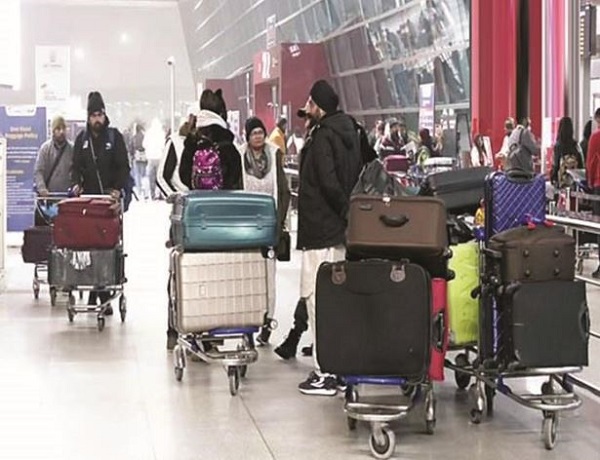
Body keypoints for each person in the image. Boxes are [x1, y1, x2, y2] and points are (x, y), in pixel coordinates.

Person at [296, 80, 363, 396]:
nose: (306, 108)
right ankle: (340, 365)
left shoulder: (323, 136)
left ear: (319, 106)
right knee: (337, 300)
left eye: (310, 103)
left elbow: (327, 181)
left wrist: (341, 209)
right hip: (339, 233)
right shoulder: (350, 130)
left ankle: (325, 373)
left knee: (315, 298)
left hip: (320, 229)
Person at [71, 91, 130, 315]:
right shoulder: (81, 140)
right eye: (93, 115)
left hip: (109, 205)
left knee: (107, 247)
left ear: (105, 115)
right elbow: (75, 166)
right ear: (87, 117)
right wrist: (76, 183)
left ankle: (102, 292)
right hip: (88, 204)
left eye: (100, 114)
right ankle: (97, 290)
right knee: (88, 246)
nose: (97, 119)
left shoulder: (114, 138)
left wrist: (117, 189)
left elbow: (124, 166)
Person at [239, 117, 291, 345]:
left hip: (270, 227)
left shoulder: (274, 153)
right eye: (254, 133)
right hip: (246, 228)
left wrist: (280, 223)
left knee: (269, 278)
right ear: (247, 136)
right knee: (249, 277)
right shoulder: (240, 157)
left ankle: (268, 322)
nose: (258, 136)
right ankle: (248, 325)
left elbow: (283, 191)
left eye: (261, 132)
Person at [275, 109, 317, 361]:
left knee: (311, 289)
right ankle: (300, 336)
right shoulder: (313, 146)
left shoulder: (319, 146)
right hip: (320, 229)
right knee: (310, 289)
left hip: (323, 231)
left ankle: (297, 336)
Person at [179, 89, 242, 190]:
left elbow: (183, 174)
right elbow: (235, 172)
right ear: (221, 113)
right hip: (222, 200)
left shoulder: (193, 140)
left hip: (198, 200)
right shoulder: (225, 140)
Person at [34, 115, 74, 224]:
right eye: (58, 129)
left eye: (64, 129)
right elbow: (38, 171)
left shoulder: (72, 149)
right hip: (48, 201)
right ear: (53, 131)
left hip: (67, 201)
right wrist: (42, 188)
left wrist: (76, 186)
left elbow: (77, 171)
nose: (61, 132)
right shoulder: (45, 149)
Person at [585, 108, 600, 278]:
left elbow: (591, 161)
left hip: (599, 183)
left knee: (598, 225)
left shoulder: (596, 136)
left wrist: (589, 181)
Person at [551, 117, 584, 187]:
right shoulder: (576, 145)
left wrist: (553, 178)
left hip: (562, 182)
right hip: (575, 182)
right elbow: (581, 164)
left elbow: (556, 165)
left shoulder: (558, 146)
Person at [143, 118, 166, 200]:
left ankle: (152, 194)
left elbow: (144, 144)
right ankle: (159, 194)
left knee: (151, 177)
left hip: (150, 157)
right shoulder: (161, 133)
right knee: (159, 178)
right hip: (159, 157)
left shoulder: (148, 133)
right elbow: (163, 145)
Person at [132, 124, 148, 199]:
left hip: (137, 155)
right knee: (144, 174)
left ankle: (139, 189)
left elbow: (132, 146)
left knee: (137, 174)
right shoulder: (145, 136)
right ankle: (145, 190)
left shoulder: (134, 137)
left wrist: (132, 155)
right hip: (144, 155)